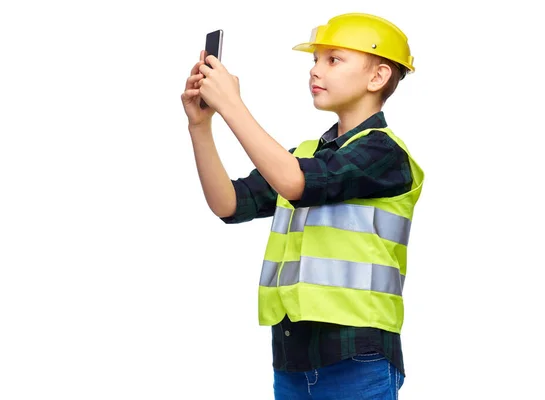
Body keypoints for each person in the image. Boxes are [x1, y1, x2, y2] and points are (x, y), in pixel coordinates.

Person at [181, 12, 424, 400]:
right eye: (314, 60)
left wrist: (231, 105)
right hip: (293, 359)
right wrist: (201, 126)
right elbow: (229, 203)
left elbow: (295, 182)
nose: (315, 70)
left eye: (333, 59)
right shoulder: (305, 156)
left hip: (357, 358)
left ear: (377, 77)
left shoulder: (384, 153)